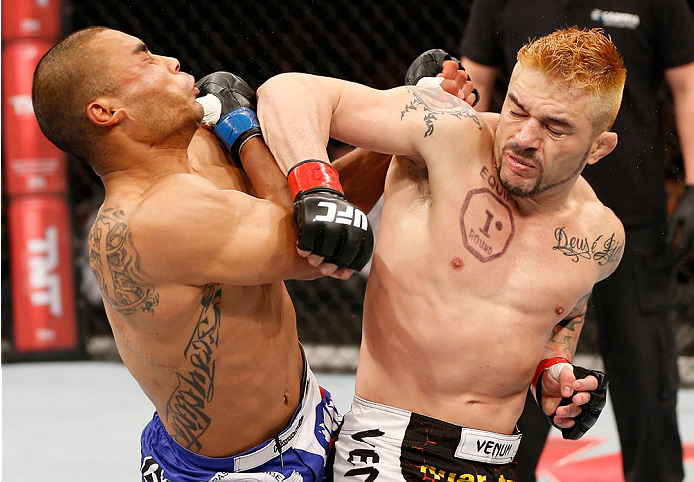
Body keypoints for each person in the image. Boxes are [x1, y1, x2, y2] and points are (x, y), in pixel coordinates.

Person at [31, 26, 394, 482]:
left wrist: (403, 129)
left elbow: (316, 209)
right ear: (107, 112)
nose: (171, 61)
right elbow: (320, 243)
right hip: (243, 470)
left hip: (308, 413)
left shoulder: (197, 151)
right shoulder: (156, 217)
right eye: (145, 59)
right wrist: (246, 135)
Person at [257, 27, 623, 480]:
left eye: (555, 127)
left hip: (499, 463)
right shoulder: (449, 135)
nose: (524, 137)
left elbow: (564, 309)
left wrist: (553, 370)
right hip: (390, 449)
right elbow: (288, 91)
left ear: (599, 148)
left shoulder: (602, 238)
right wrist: (316, 186)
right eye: (517, 110)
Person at [458, 2, 694, 480]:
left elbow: (687, 85)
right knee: (518, 372)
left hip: (632, 220)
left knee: (646, 374)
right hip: (526, 220)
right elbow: (475, 86)